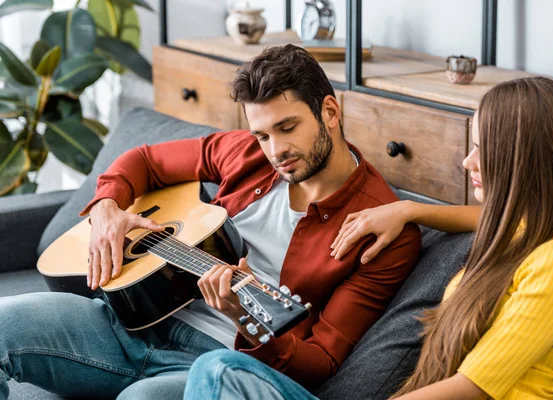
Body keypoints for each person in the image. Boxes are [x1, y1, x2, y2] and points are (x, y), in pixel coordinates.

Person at [0, 44, 421, 400]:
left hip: (214, 361)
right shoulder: (247, 153)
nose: (276, 150)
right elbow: (145, 161)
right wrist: (107, 206)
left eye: (287, 127)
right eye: (262, 134)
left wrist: (246, 320)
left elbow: (324, 359)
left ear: (330, 111)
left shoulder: (382, 230)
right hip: (131, 321)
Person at [183, 76, 553, 400]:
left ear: (521, 157)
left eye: (482, 147)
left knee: (219, 370)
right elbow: (493, 217)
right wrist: (408, 209)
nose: (466, 160)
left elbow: (473, 388)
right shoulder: (532, 228)